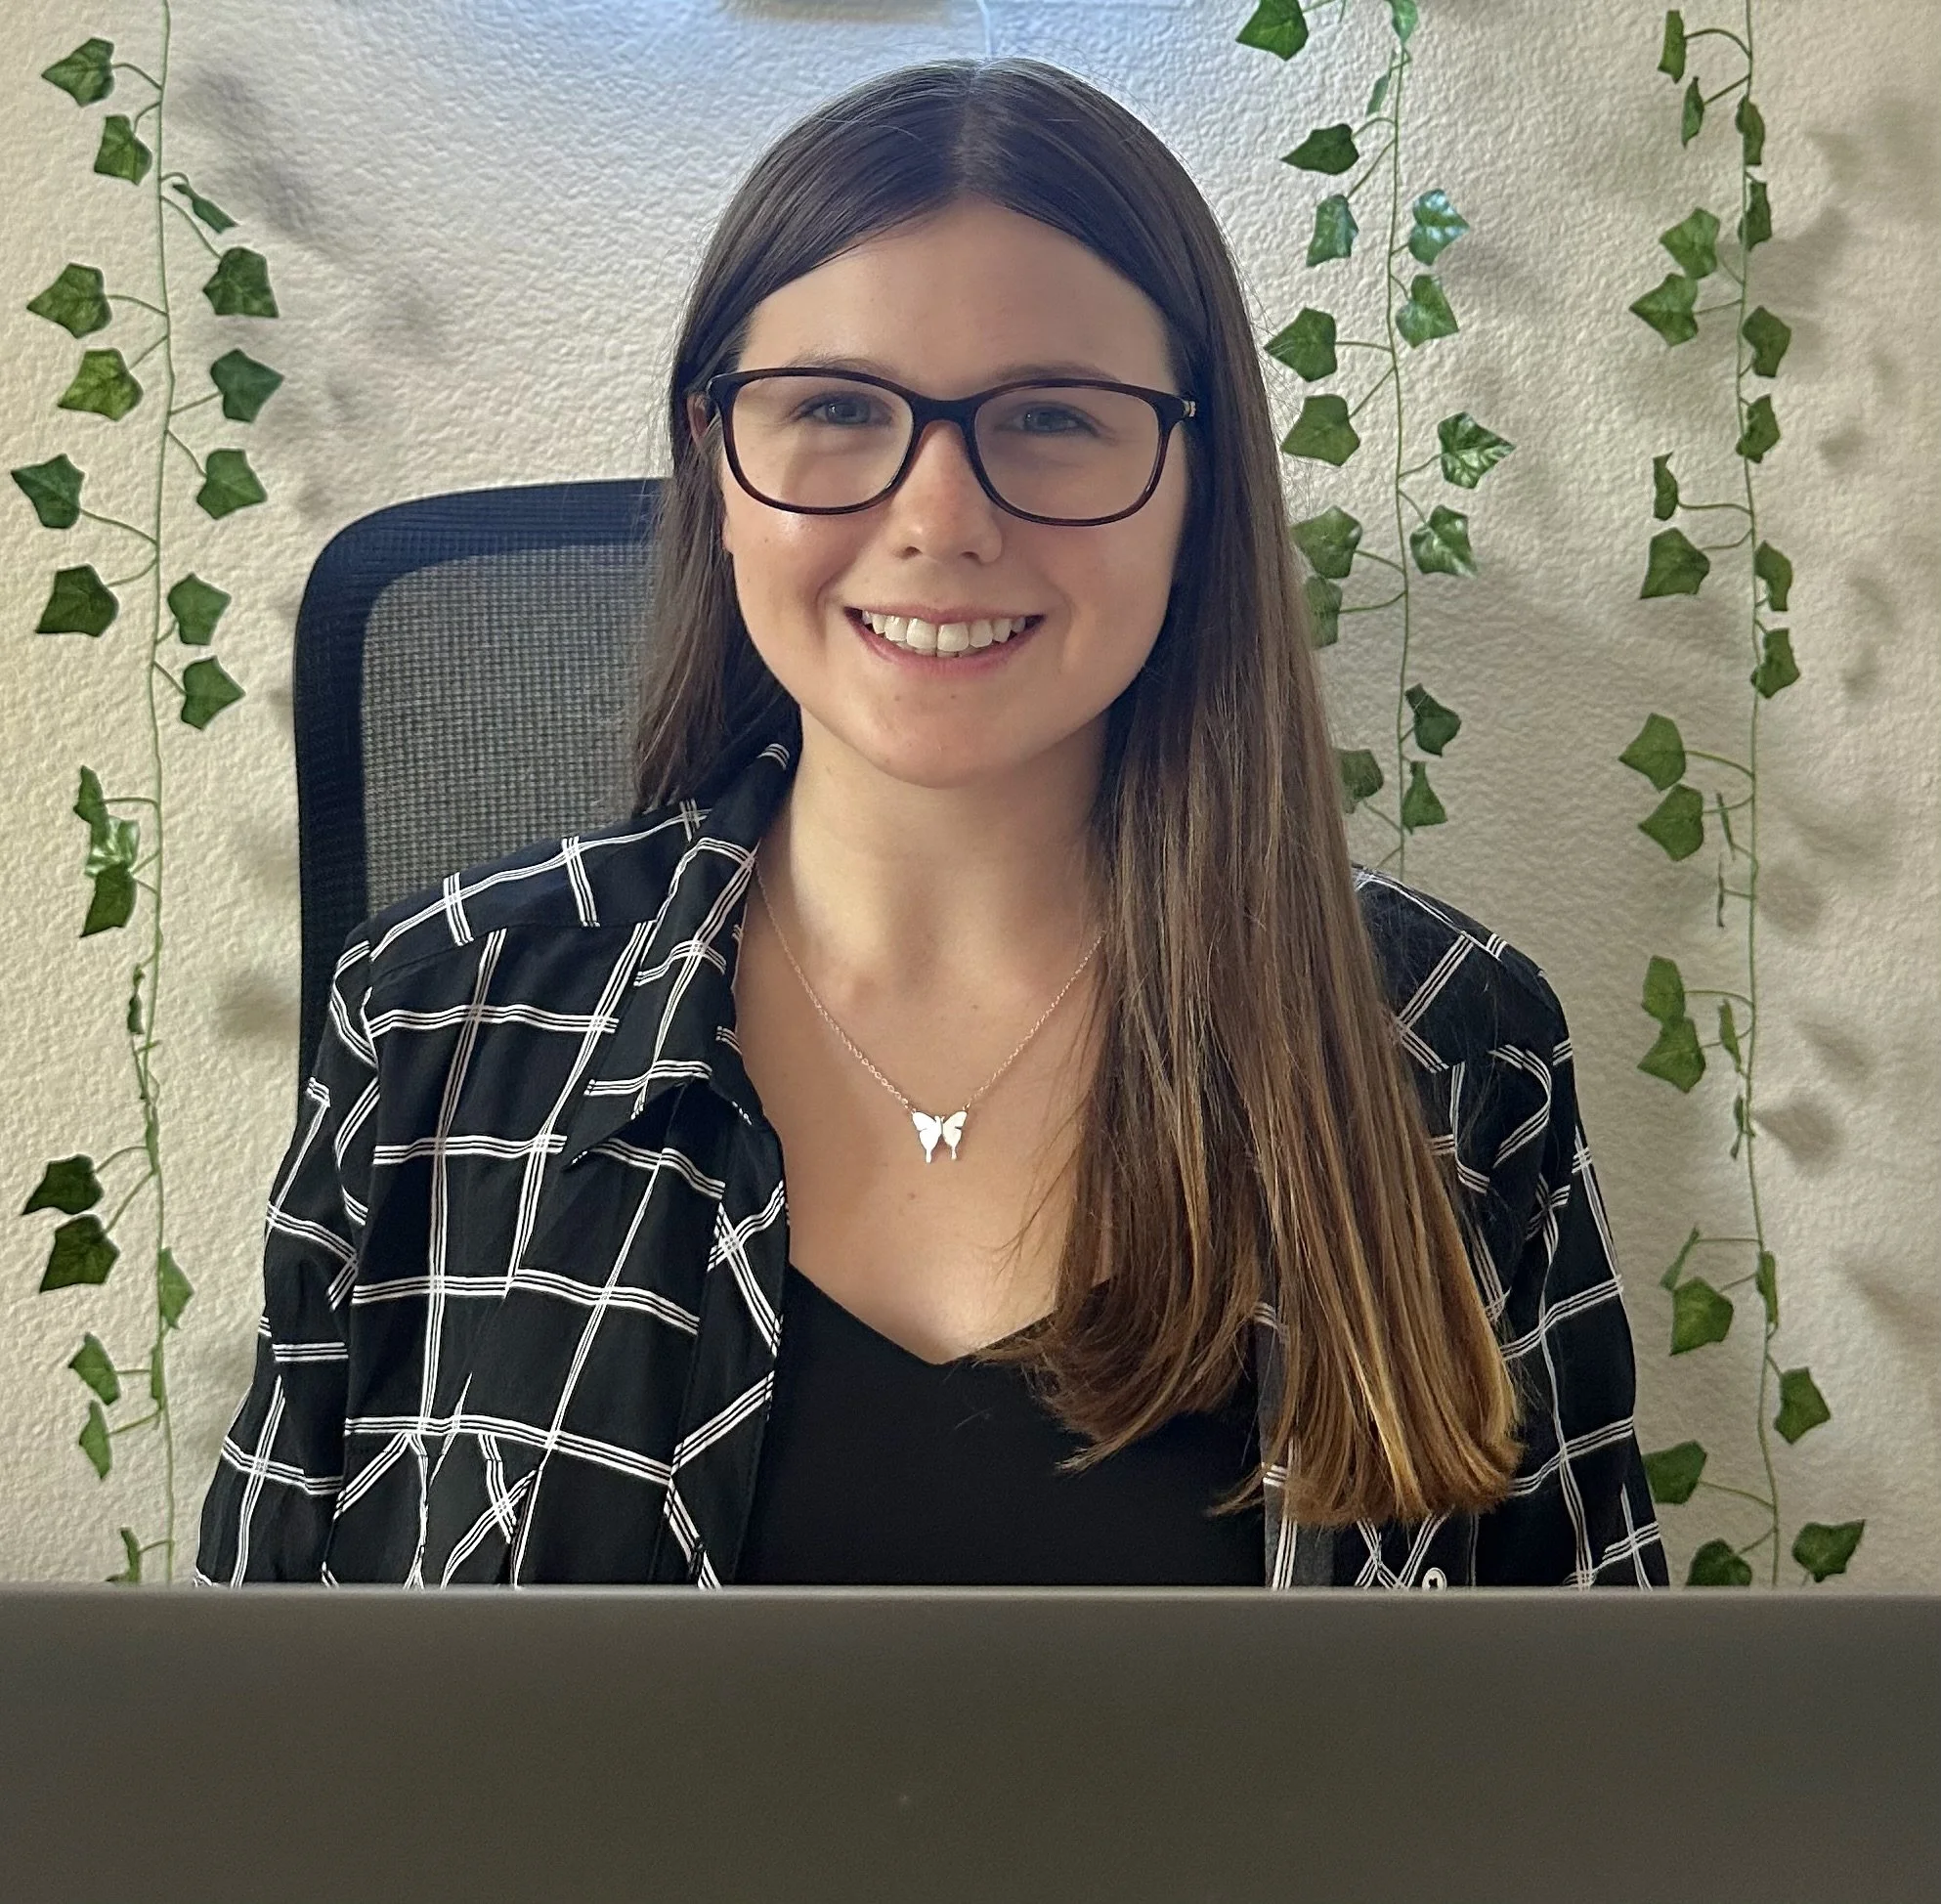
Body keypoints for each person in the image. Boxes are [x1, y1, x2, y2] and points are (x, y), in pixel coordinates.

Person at [196, 57, 1666, 1590]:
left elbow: (1582, 1753)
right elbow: (257, 1730)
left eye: (1049, 417)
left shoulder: (1439, 1043)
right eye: (833, 406)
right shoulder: (446, 1010)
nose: (939, 515)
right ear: (713, 455)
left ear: (1196, 477)